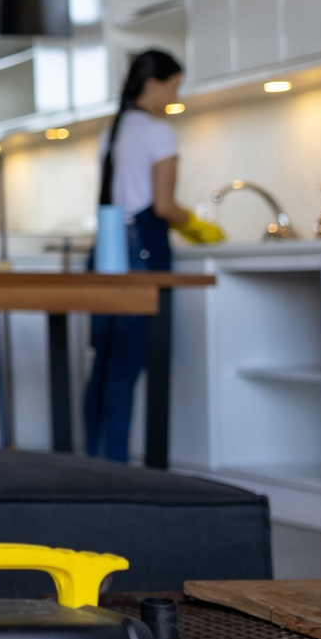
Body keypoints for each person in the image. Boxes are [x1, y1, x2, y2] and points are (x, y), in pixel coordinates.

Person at [83, 50, 221, 461]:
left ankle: (93, 464)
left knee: (104, 363)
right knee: (127, 364)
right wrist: (199, 226)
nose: (174, 96)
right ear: (154, 83)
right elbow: (163, 206)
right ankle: (123, 472)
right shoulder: (160, 131)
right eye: (174, 85)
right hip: (140, 250)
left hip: (104, 250)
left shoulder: (112, 131)